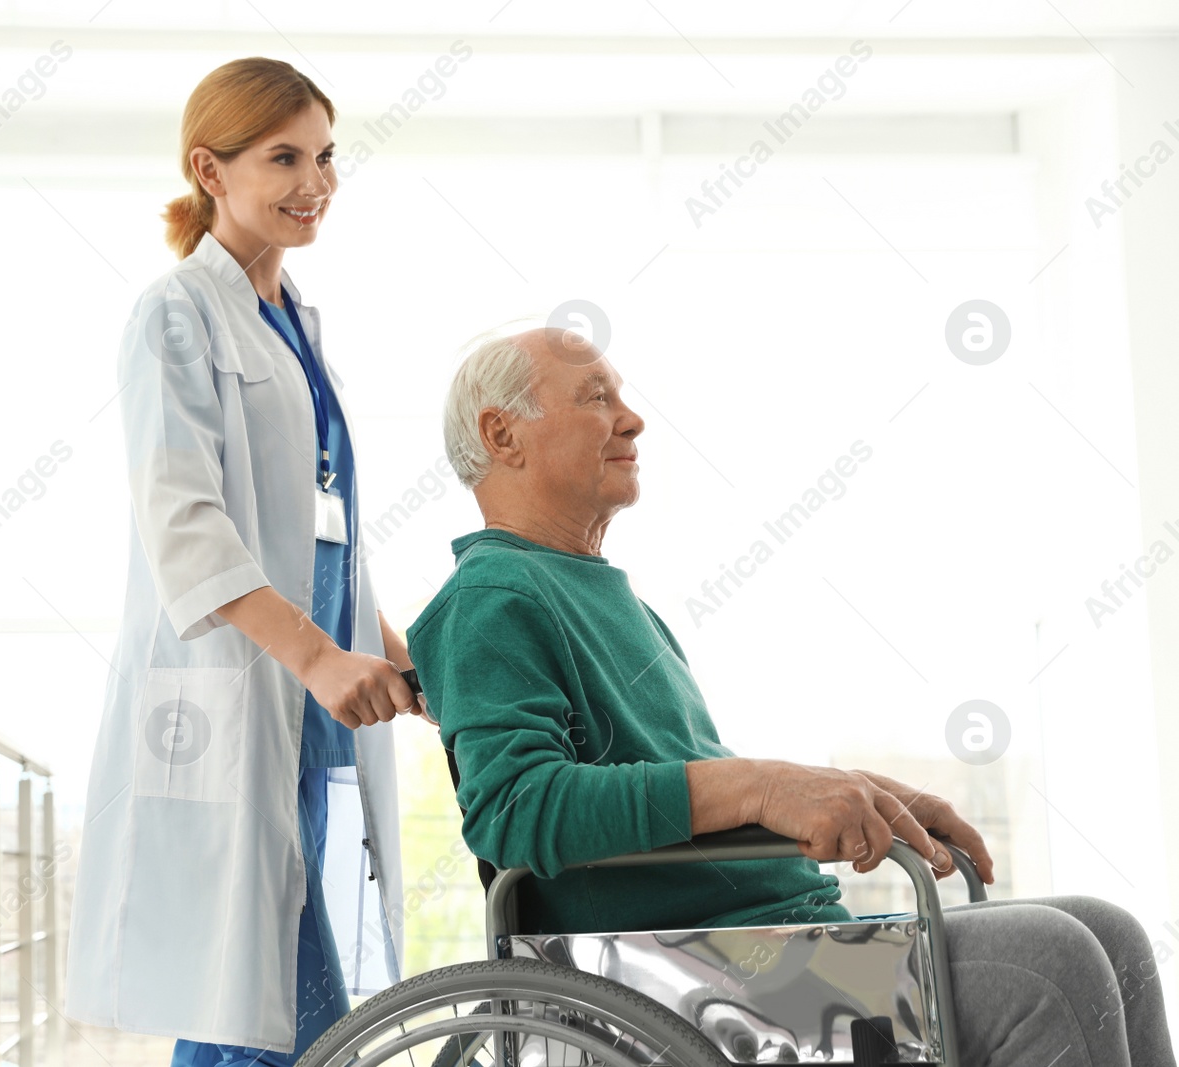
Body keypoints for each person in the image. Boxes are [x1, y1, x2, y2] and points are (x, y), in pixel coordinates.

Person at [406, 325, 1177, 1067]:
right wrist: (767, 785)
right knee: (1049, 962)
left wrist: (862, 793)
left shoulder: (613, 600)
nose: (632, 418)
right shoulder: (490, 597)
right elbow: (514, 809)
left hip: (756, 946)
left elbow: (692, 790)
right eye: (596, 397)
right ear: (503, 436)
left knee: (1110, 932)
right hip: (662, 976)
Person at [64, 58, 427, 1064]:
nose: (315, 181)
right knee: (247, 996)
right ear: (208, 170)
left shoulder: (300, 326)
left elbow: (326, 529)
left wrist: (391, 651)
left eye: (324, 156)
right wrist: (316, 657)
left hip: (318, 694)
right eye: (283, 157)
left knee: (314, 974)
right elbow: (185, 524)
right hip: (245, 687)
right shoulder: (174, 312)